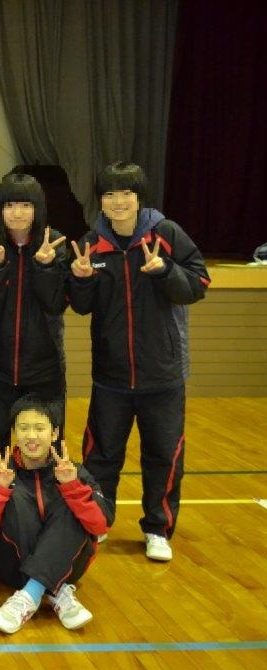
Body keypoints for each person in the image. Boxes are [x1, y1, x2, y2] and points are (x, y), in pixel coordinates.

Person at [69, 162, 209, 562]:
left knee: (163, 455)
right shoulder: (91, 242)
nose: (118, 202)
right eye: (110, 195)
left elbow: (198, 284)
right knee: (102, 455)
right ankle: (99, 520)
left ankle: (157, 529)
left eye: (126, 194)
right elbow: (81, 305)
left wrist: (165, 270)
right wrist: (80, 279)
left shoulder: (166, 233)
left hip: (162, 373)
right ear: (101, 201)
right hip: (110, 375)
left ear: (139, 198)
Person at [0, 396, 111, 635]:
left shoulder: (74, 471)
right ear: (14, 432)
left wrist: (72, 487)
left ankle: (30, 594)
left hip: (71, 567)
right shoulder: (1, 472)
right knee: (15, 498)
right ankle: (56, 590)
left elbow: (100, 525)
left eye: (39, 428)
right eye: (23, 428)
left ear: (54, 433)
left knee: (73, 503)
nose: (31, 436)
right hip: (13, 567)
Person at [0, 173, 69, 479]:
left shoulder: (54, 244)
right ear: (0, 209)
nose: (17, 212)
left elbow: (56, 304)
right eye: (10, 205)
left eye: (26, 205)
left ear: (38, 208)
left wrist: (44, 266)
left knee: (45, 445)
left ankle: (45, 502)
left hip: (44, 370)